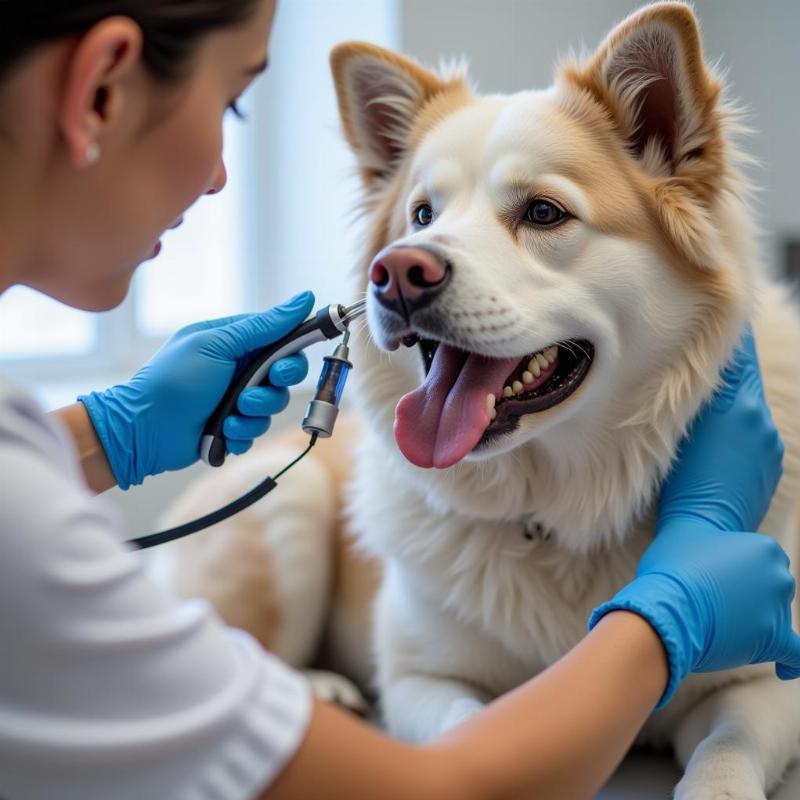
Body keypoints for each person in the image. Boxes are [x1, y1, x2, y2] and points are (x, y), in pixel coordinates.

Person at [0, 2, 798, 799]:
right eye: (421, 213)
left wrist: (102, 437)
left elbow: (763, 688)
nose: (412, 258)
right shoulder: (25, 530)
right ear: (100, 91)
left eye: (544, 212)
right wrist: (670, 618)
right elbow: (437, 789)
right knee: (294, 502)